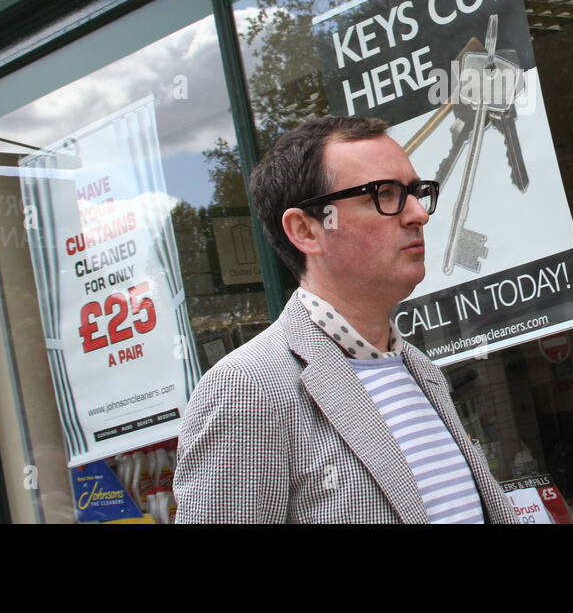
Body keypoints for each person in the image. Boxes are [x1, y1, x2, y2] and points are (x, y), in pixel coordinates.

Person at [174, 115, 517, 523]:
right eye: (384, 194)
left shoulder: (420, 370)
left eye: (415, 192)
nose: (419, 214)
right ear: (305, 230)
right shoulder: (249, 391)